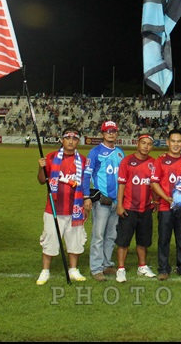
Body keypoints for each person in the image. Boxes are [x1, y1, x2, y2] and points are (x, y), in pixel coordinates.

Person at [35, 126, 89, 285]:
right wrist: (41, 167)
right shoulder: (51, 158)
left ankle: (73, 269)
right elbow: (41, 180)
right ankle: (45, 271)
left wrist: (86, 201)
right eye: (67, 138)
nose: (71, 141)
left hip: (75, 208)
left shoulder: (83, 160)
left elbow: (85, 184)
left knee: (75, 241)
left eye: (74, 139)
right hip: (54, 208)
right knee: (50, 240)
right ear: (61, 140)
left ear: (78, 141)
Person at [151, 129, 181, 280]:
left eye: (179, 141)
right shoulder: (160, 160)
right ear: (168, 142)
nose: (176, 144)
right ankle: (163, 269)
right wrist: (167, 198)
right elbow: (154, 183)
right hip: (165, 206)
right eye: (173, 141)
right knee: (164, 239)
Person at [84, 120, 125, 281]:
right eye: (108, 131)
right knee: (98, 235)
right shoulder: (95, 152)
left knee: (111, 235)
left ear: (117, 133)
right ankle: (96, 268)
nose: (111, 134)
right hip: (102, 200)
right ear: (102, 133)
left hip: (117, 201)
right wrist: (86, 197)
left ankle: (107, 264)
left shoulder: (120, 152)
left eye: (113, 131)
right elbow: (86, 175)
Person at [114, 134, 158, 283]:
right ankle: (121, 269)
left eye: (149, 144)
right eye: (143, 143)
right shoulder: (127, 161)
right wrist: (120, 205)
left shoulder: (153, 163)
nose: (146, 146)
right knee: (123, 241)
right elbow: (121, 184)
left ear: (152, 147)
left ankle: (142, 266)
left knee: (143, 240)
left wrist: (155, 201)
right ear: (137, 144)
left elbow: (154, 184)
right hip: (128, 208)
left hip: (146, 208)